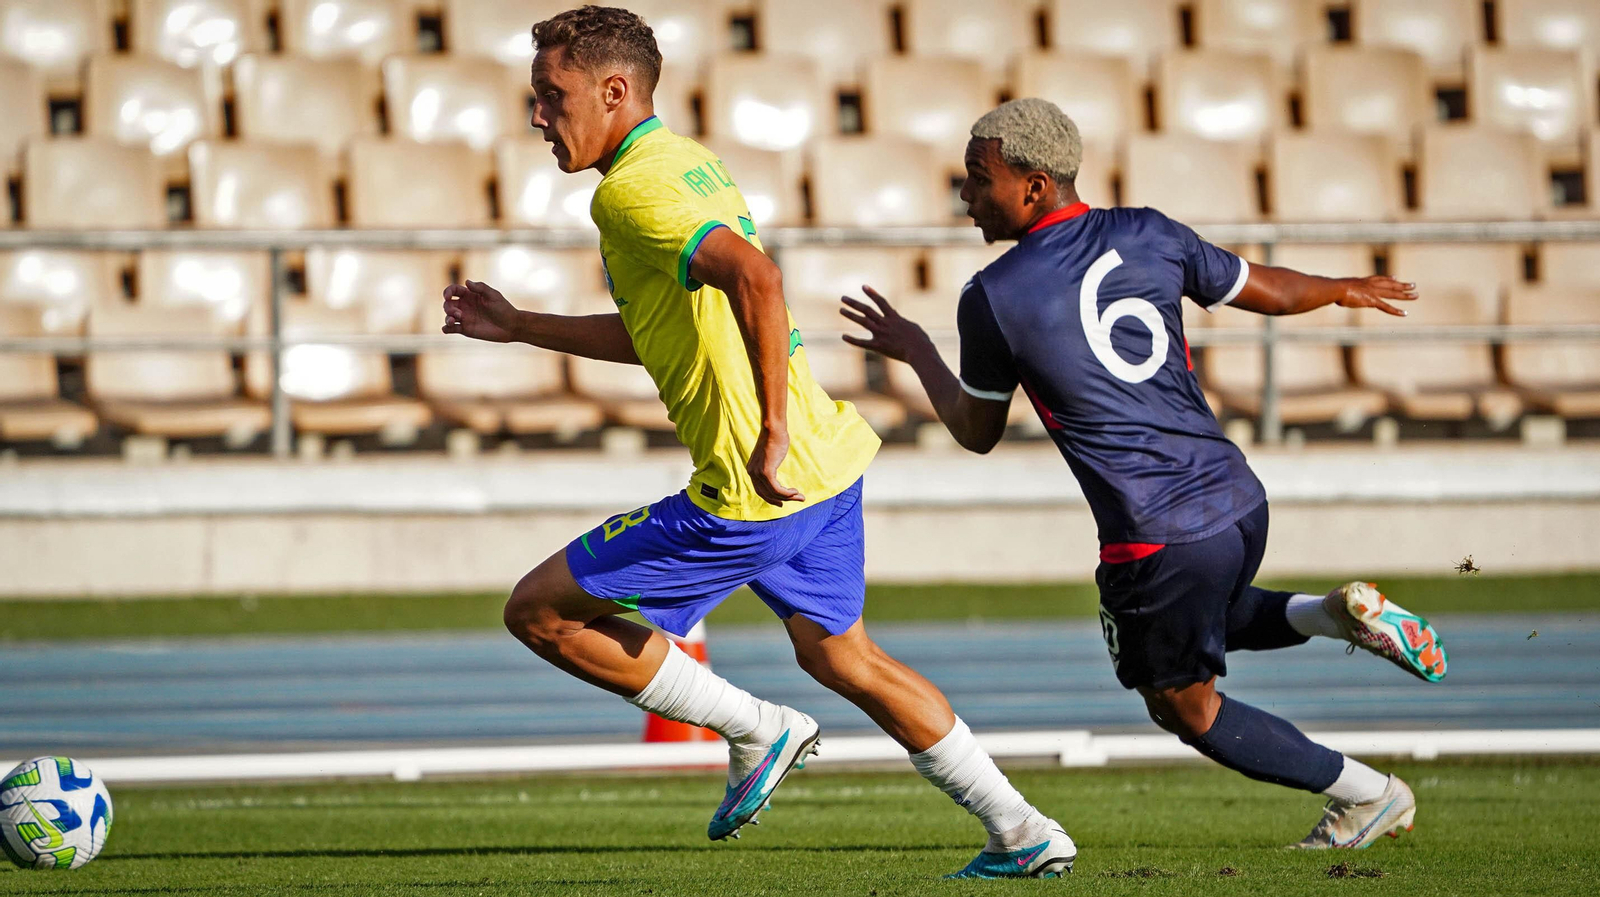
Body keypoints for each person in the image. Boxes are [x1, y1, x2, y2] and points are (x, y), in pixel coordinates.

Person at [441, 7, 1072, 879]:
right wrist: (523, 327)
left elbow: (759, 280)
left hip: (755, 484)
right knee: (845, 656)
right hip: (826, 462)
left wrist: (767, 433)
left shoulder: (628, 192)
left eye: (553, 94)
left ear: (614, 90)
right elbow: (664, 328)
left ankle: (756, 726)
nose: (539, 116)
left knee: (539, 612)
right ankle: (1022, 827)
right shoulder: (689, 162)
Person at [841, 97, 1450, 850]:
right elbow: (1265, 287)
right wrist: (1340, 287)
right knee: (1210, 616)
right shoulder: (1149, 231)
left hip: (1153, 534)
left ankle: (1369, 795)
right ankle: (1331, 615)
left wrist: (916, 351)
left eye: (977, 178)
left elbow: (975, 431)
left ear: (1034, 187)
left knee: (1184, 706)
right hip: (1238, 501)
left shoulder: (992, 296)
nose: (965, 195)